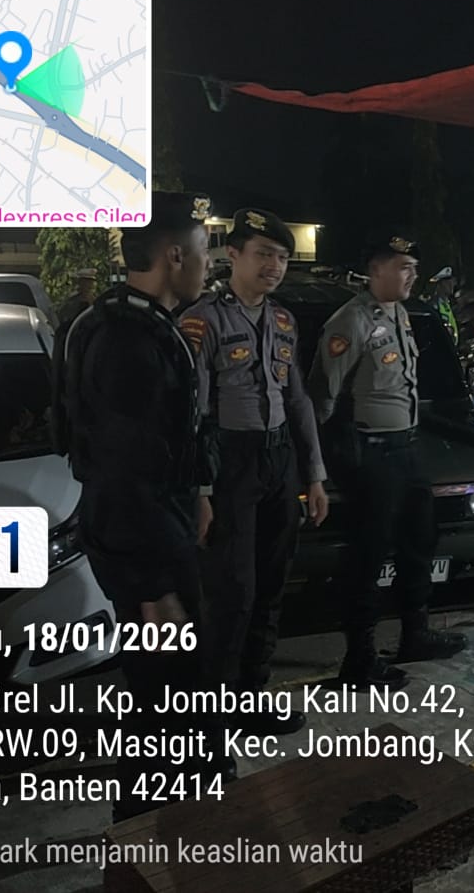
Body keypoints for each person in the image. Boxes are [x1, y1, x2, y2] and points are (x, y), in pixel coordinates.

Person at [53, 191, 224, 820]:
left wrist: (196, 494)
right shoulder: (128, 342)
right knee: (165, 691)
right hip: (141, 538)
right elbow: (123, 469)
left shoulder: (120, 321)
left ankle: (182, 804)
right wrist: (154, 587)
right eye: (203, 253)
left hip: (146, 525)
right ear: (174, 255)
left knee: (171, 686)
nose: (208, 266)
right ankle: (152, 827)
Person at [179, 208, 329, 734]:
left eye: (282, 257)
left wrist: (314, 475)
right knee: (232, 593)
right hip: (230, 464)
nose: (274, 266)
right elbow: (192, 414)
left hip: (278, 460)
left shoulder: (283, 320)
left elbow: (298, 400)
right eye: (263, 254)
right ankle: (215, 712)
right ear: (233, 255)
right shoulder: (203, 320)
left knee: (270, 586)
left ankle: (252, 697)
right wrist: (200, 490)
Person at [309, 235, 467, 690]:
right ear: (376, 270)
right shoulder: (351, 321)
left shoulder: (400, 314)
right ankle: (359, 658)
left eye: (414, 266)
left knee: (420, 539)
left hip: (405, 448)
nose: (412, 275)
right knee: (369, 552)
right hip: (371, 453)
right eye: (403, 266)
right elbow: (321, 397)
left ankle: (415, 634)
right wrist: (320, 461)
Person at [428, 266, 459, 343]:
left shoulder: (447, 303)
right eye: (448, 283)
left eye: (452, 282)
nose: (452, 285)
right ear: (439, 285)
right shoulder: (434, 305)